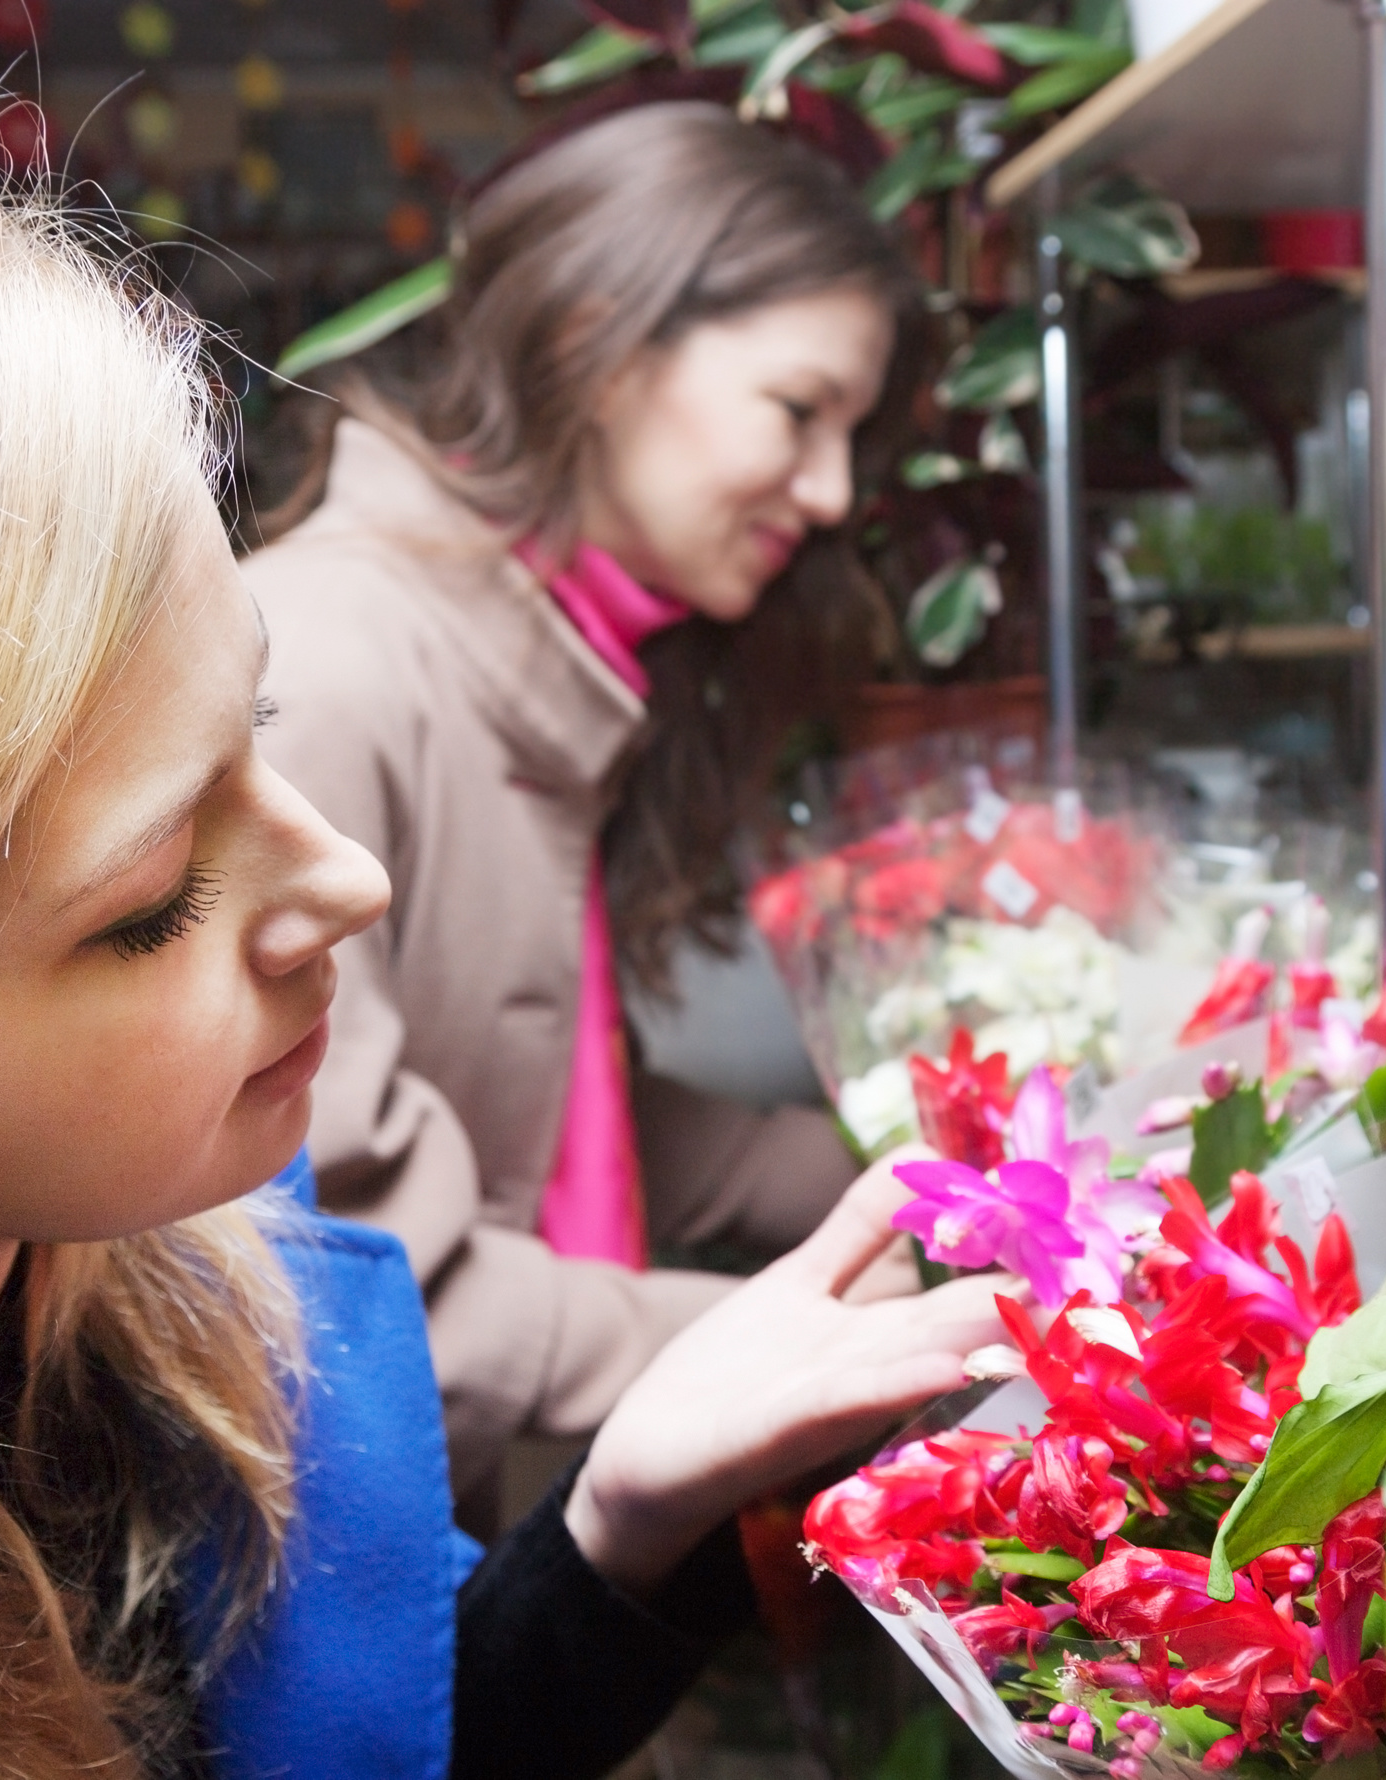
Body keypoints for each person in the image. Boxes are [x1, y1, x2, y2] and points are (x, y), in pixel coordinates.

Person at [0, 110, 1008, 1780]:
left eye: (258, 732)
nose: (347, 880)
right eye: (156, 894)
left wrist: (625, 1511)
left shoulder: (181, 1332)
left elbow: (372, 1736)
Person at [243, 102, 932, 1523]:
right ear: (596, 345)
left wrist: (932, 1182)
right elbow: (343, 1283)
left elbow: (529, 1099)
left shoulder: (548, 659)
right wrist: (812, 1350)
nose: (831, 491)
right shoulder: (331, 671)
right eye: (800, 412)